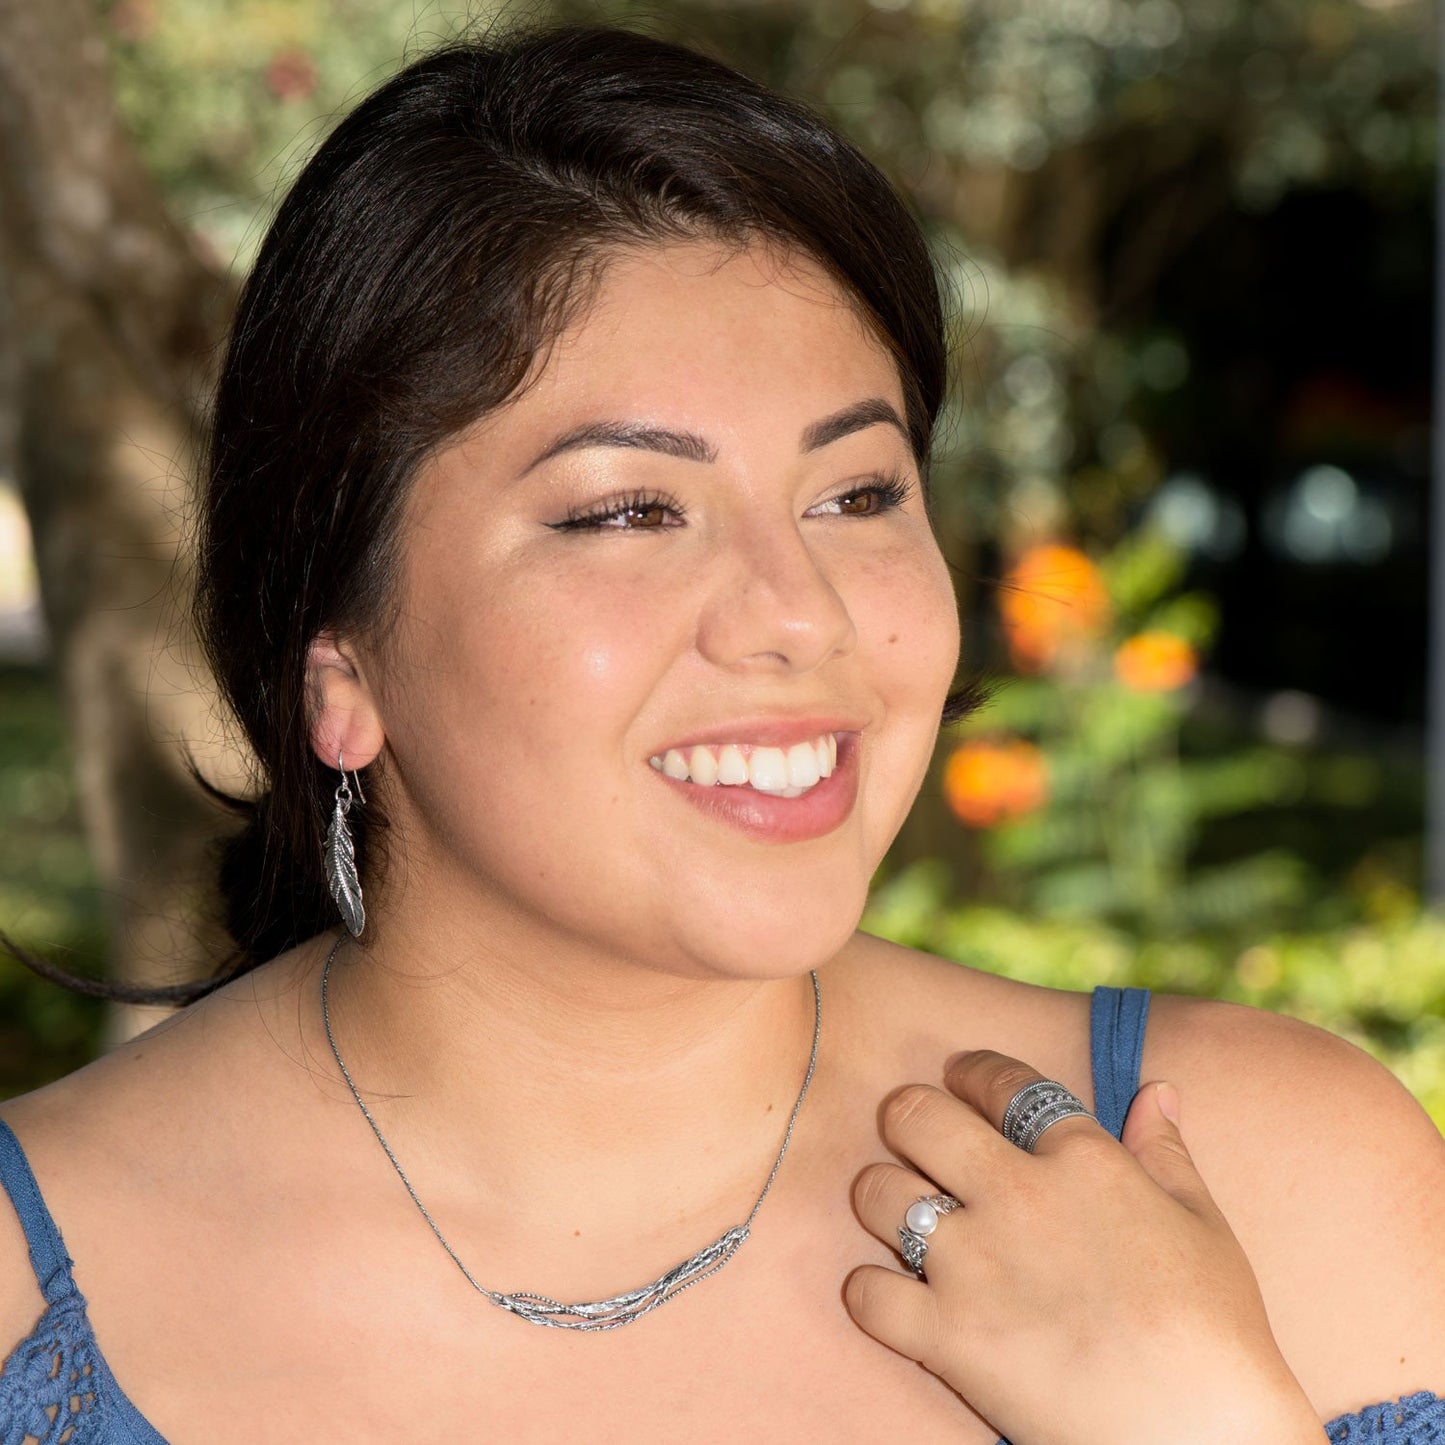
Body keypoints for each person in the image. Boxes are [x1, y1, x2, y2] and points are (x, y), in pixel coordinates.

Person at [2, 23, 1442, 1444]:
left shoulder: (1266, 1187)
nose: (799, 613)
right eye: (630, 511)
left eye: (856, 494)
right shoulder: (31, 1300)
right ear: (340, 667)